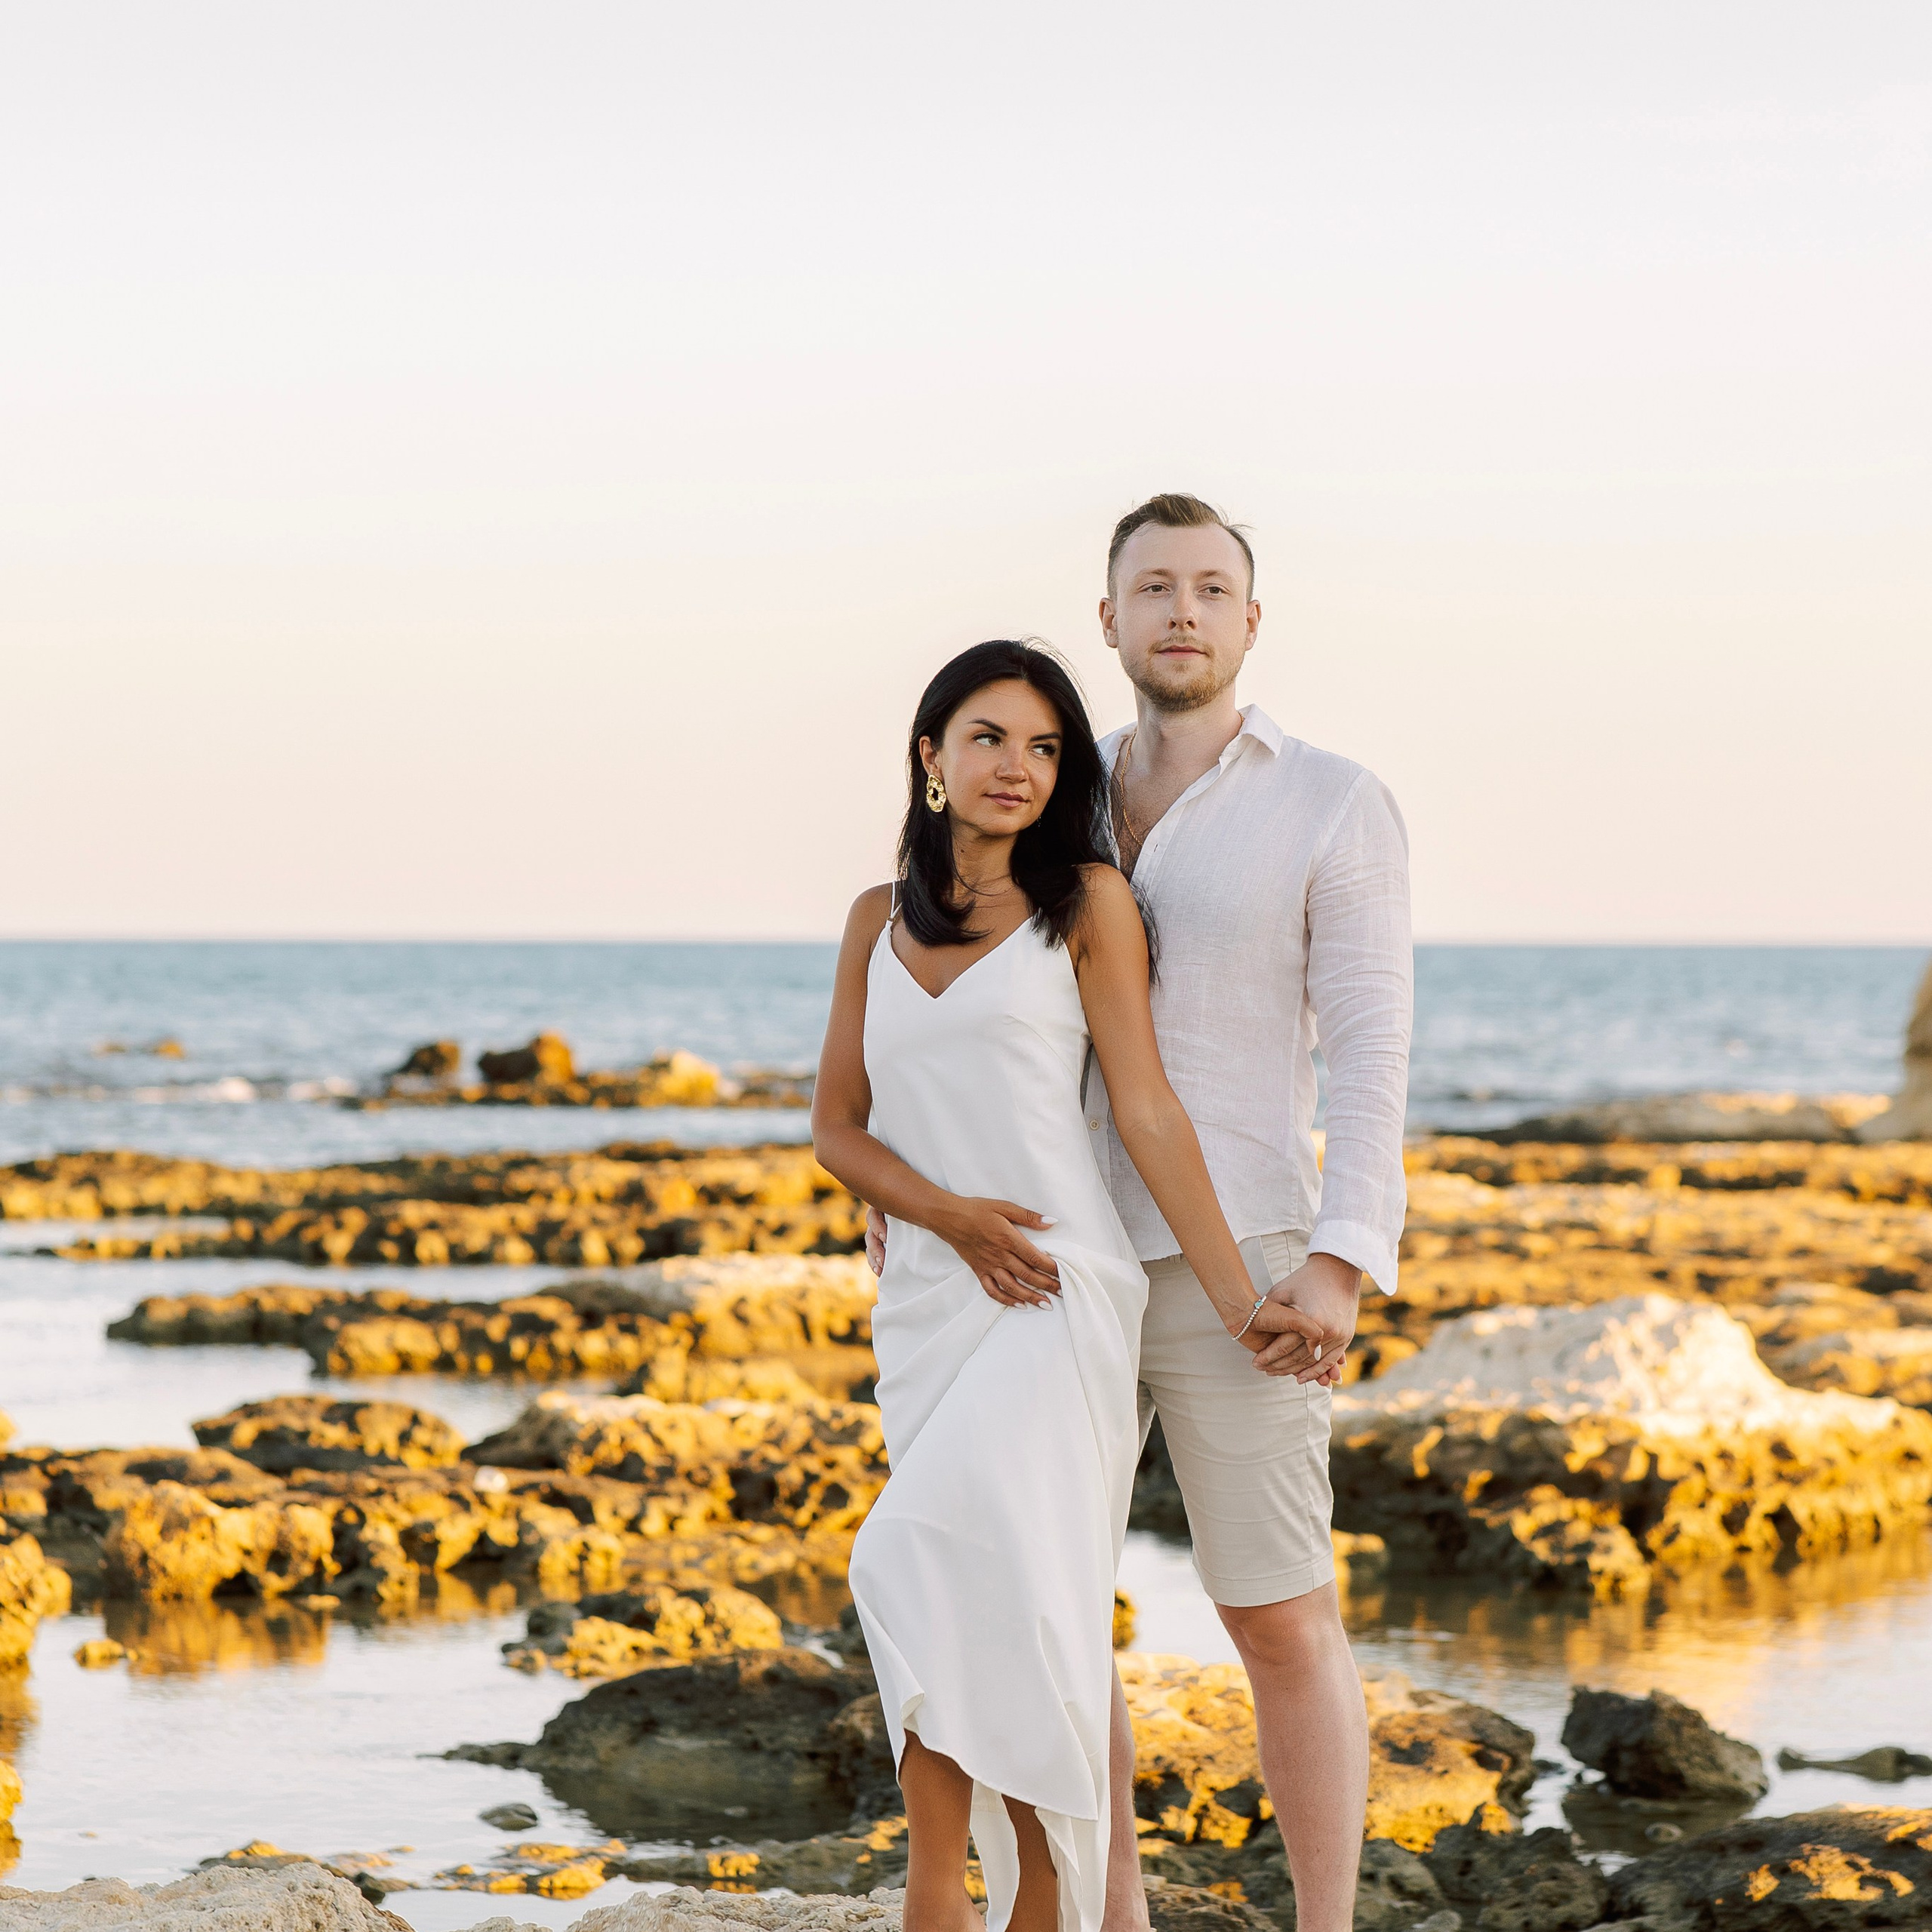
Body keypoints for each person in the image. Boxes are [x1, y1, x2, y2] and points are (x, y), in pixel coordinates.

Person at [866, 497, 1414, 1932]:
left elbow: (1369, 1047)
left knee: (1278, 1611)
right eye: (1152, 587)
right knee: (1054, 1608)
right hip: (1040, 1275)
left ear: (1249, 620)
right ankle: (1116, 1917)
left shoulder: (1332, 800)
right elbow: (958, 1018)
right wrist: (919, 1205)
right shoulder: (1055, 789)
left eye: (1212, 588)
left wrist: (1345, 1267)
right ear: (1107, 619)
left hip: (1248, 1261)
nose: (1183, 610)